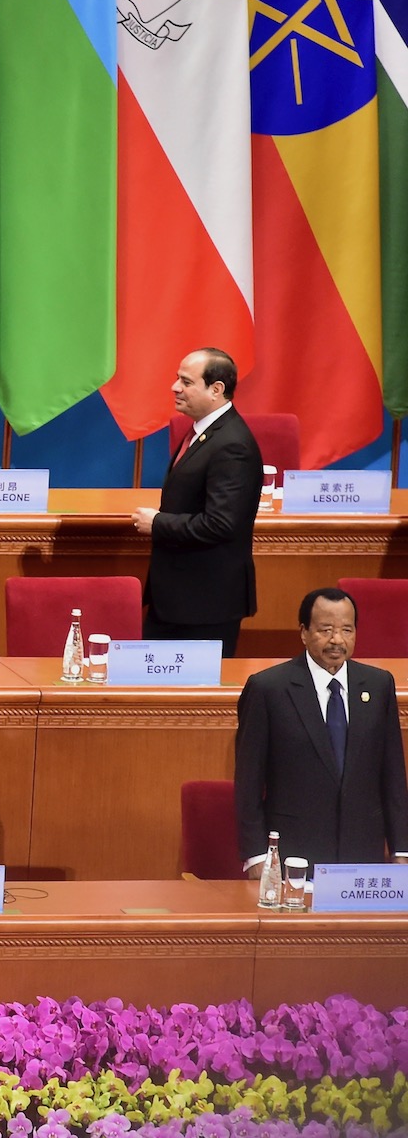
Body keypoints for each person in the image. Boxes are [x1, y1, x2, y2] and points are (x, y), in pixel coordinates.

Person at [234, 588, 408, 873]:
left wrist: (401, 849)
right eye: (325, 629)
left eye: (346, 630)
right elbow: (248, 781)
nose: (336, 640)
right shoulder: (268, 689)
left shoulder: (378, 685)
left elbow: (393, 775)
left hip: (362, 853)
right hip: (294, 854)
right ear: (304, 632)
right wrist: (256, 856)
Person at [133, 347, 262, 656]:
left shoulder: (232, 445)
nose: (175, 387)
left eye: (186, 382)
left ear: (216, 389)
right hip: (178, 600)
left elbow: (220, 523)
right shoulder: (204, 433)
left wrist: (158, 523)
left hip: (206, 604)